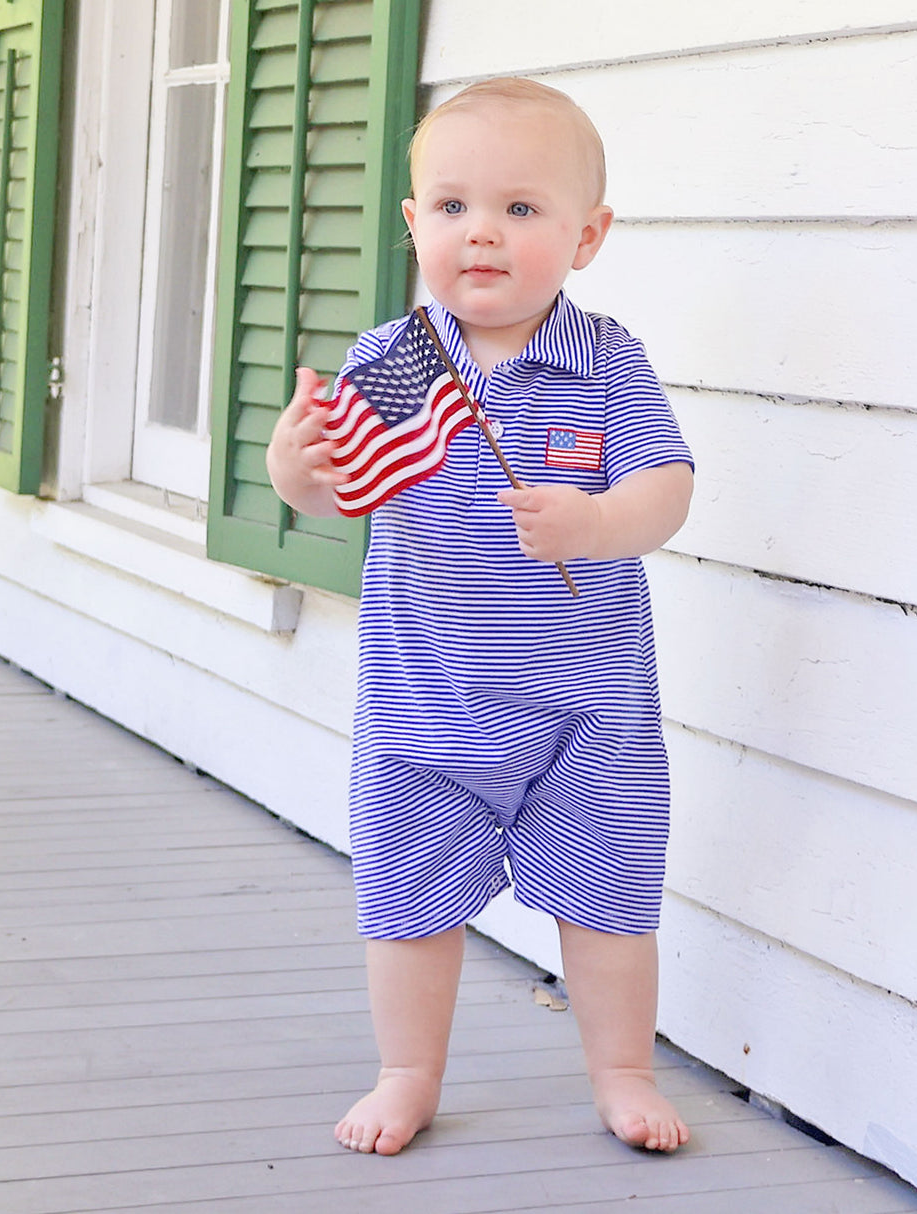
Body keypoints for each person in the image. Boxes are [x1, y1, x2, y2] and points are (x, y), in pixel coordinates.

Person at [266, 77, 695, 1157]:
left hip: (584, 708)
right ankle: (406, 1070)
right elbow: (332, 487)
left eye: (519, 208)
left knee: (606, 896)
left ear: (585, 234)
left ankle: (621, 1069)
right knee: (409, 902)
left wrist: (598, 519)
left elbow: (667, 483)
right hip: (426, 700)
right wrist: (293, 470)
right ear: (413, 224)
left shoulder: (607, 361)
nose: (481, 234)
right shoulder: (391, 360)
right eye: (451, 207)